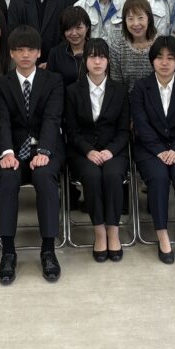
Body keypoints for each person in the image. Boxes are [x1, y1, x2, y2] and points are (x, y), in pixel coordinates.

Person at [0, 26, 66, 284]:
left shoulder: (53, 81)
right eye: (19, 50)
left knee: (45, 178)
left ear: (39, 53)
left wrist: (44, 151)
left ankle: (48, 250)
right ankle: (8, 252)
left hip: (44, 148)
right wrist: (6, 152)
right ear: (11, 53)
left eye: (30, 50)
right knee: (7, 178)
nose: (25, 55)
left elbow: (52, 118)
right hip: (13, 150)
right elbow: (2, 121)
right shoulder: (1, 84)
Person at [131, 36, 175, 264]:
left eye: (170, 58)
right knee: (158, 177)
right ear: (152, 60)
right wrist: (159, 149)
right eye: (159, 57)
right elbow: (140, 123)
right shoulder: (141, 87)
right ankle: (162, 236)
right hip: (150, 148)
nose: (164, 62)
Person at [64, 38, 129, 262]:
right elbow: (71, 131)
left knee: (112, 175)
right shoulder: (72, 91)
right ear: (85, 61)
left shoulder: (120, 91)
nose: (98, 61)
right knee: (92, 176)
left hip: (114, 151)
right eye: (92, 57)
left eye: (102, 57)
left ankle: (113, 231)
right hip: (83, 152)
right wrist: (88, 151)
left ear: (108, 60)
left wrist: (110, 151)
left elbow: (124, 131)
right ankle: (99, 232)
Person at [109, 0, 158, 96]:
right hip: (127, 101)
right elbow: (117, 85)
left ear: (149, 19)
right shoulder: (117, 47)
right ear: (125, 21)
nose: (136, 24)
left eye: (140, 18)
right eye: (130, 19)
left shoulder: (159, 44)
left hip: (156, 100)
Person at [46, 6, 90, 86]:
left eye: (78, 28)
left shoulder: (96, 50)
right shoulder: (55, 53)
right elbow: (49, 84)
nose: (74, 33)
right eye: (69, 29)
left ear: (87, 28)